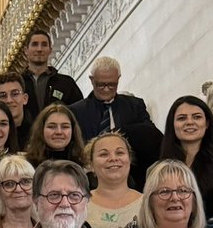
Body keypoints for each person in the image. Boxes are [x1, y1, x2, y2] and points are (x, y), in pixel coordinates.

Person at [68, 56, 159, 187]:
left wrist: (119, 133)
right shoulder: (76, 111)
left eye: (112, 84)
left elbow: (149, 135)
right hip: (92, 182)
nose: (106, 89)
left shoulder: (134, 105)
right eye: (101, 84)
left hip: (133, 180)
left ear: (118, 78)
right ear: (92, 80)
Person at [159, 95, 213, 220]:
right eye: (182, 118)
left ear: (207, 123)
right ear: (173, 125)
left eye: (197, 117)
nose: (189, 122)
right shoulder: (159, 169)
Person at [86, 131, 142, 228]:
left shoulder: (147, 203)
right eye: (104, 154)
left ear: (129, 160)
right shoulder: (79, 204)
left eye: (120, 153)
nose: (113, 158)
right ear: (91, 165)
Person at [21, 29, 83, 119]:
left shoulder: (66, 83)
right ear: (26, 50)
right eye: (35, 44)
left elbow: (79, 114)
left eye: (44, 45)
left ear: (50, 50)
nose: (39, 49)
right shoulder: (18, 84)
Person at [23, 103, 87, 168]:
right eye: (51, 127)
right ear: (41, 130)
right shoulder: (26, 165)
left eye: (65, 127)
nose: (59, 132)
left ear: (73, 131)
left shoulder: (85, 165)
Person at [0, 71, 34, 149]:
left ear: (25, 98)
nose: (9, 100)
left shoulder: (39, 131)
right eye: (2, 96)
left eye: (15, 94)